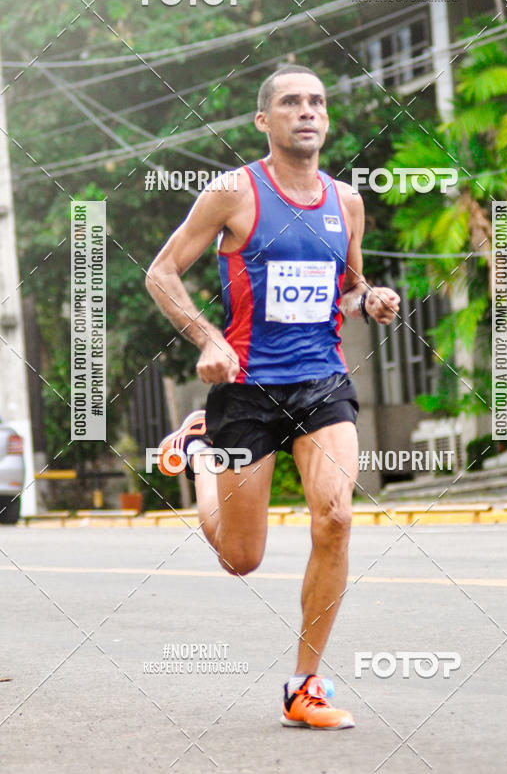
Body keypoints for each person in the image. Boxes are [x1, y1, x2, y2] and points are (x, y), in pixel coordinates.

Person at [146, 64, 400, 729]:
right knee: (241, 558)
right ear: (264, 120)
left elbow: (342, 282)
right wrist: (207, 336)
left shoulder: (345, 202)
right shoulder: (234, 193)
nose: (307, 111)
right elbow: (161, 271)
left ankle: (304, 686)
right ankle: (202, 450)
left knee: (336, 518)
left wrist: (367, 297)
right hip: (247, 390)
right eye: (291, 102)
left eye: (317, 100)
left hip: (322, 380)